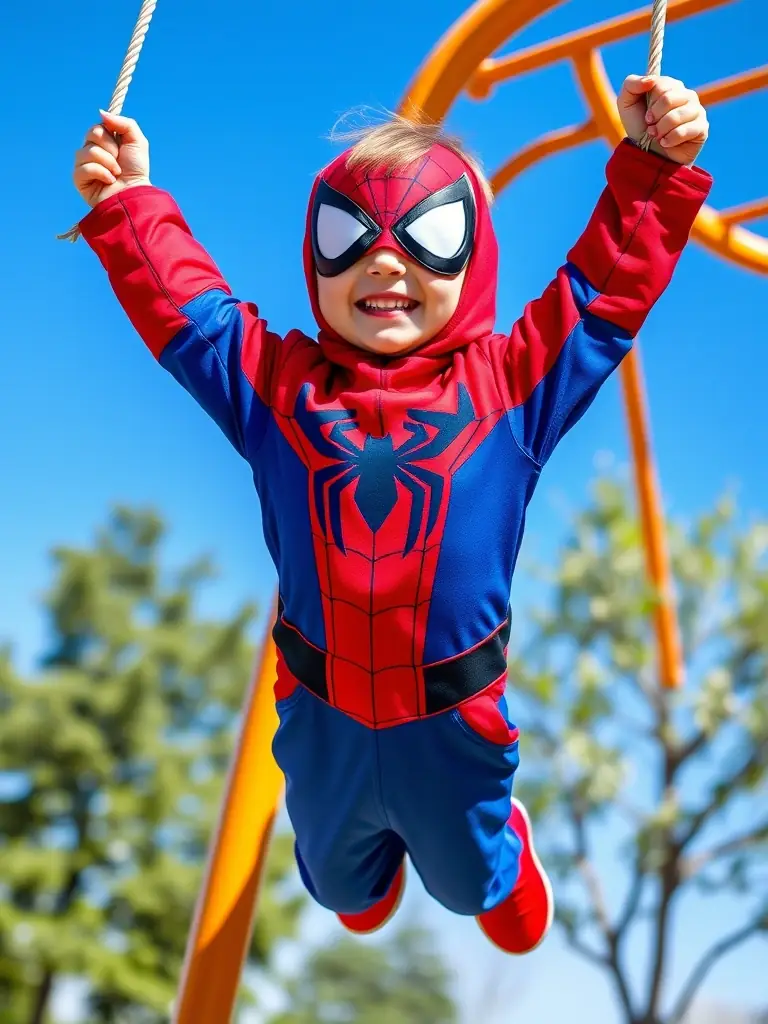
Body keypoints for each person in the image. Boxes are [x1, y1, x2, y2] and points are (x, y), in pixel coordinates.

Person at [72, 73, 711, 954]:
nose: (384, 260)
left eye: (427, 237)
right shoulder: (279, 392)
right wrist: (131, 203)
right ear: (317, 257)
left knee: (468, 884)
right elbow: (190, 312)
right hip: (321, 712)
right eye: (350, 237)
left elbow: (600, 296)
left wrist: (654, 167)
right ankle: (365, 885)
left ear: (472, 255)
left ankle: (501, 861)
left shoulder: (508, 390)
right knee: (339, 883)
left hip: (451, 723)